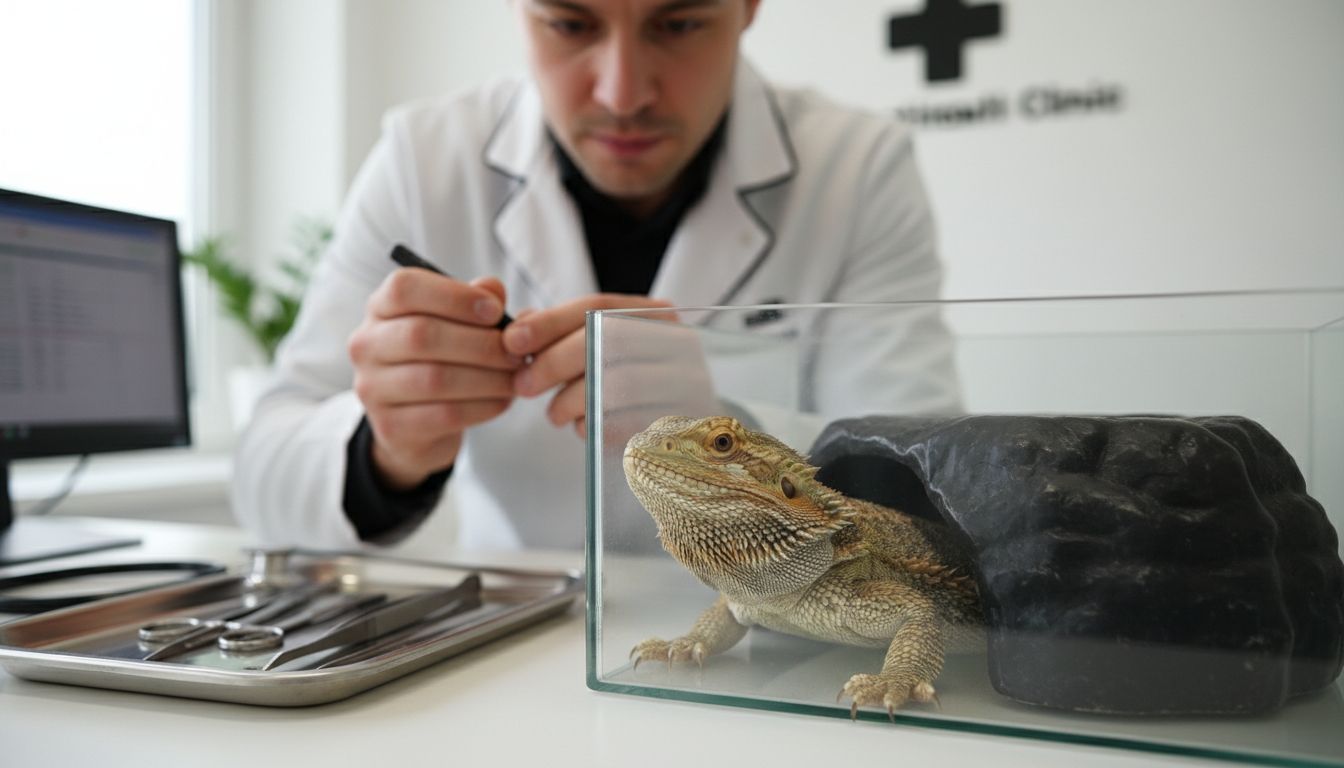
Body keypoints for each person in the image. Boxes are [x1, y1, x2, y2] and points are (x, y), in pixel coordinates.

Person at [232, 0, 960, 552]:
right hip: (500, 655)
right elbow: (263, 478)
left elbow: (931, 497)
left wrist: (733, 438)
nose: (622, 94)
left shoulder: (856, 170)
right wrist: (383, 451)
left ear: (748, 8)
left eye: (678, 24)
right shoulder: (424, 161)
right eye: (571, 24)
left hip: (779, 645)